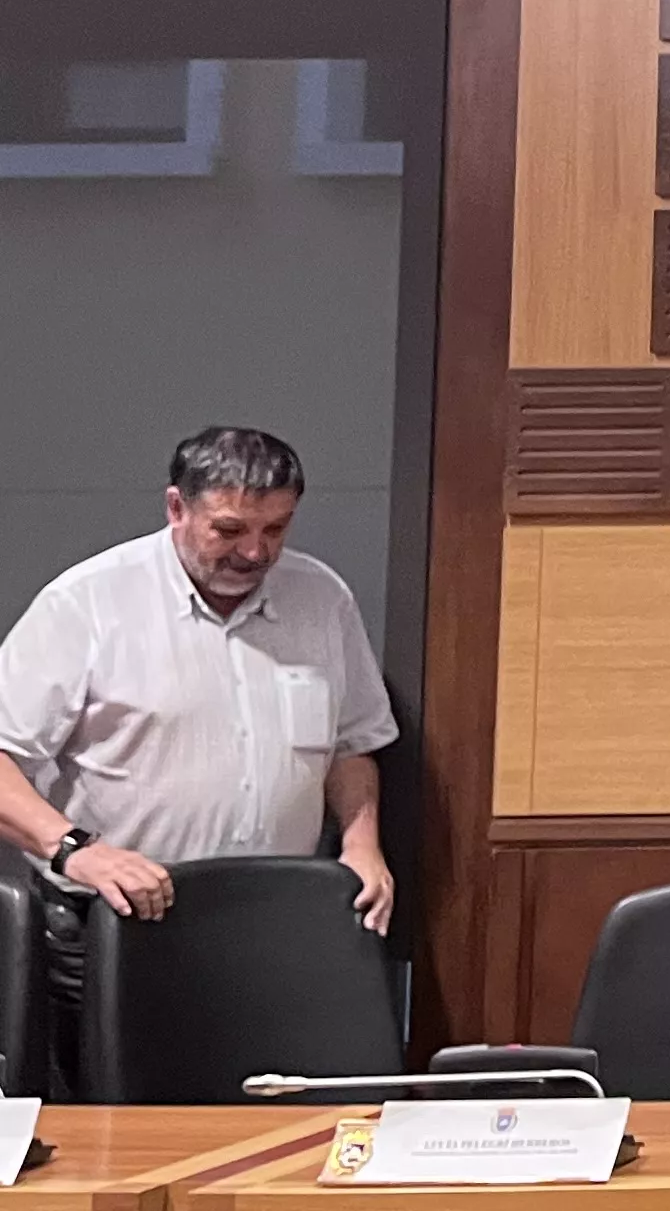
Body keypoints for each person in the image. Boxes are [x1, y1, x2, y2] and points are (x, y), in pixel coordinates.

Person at [0, 429, 400, 1080]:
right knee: (124, 1141)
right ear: (176, 508)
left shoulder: (321, 600)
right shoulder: (88, 604)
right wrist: (76, 848)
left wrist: (362, 843)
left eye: (276, 529)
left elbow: (353, 744)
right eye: (230, 529)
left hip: (278, 922)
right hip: (121, 922)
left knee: (271, 1133)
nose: (254, 551)